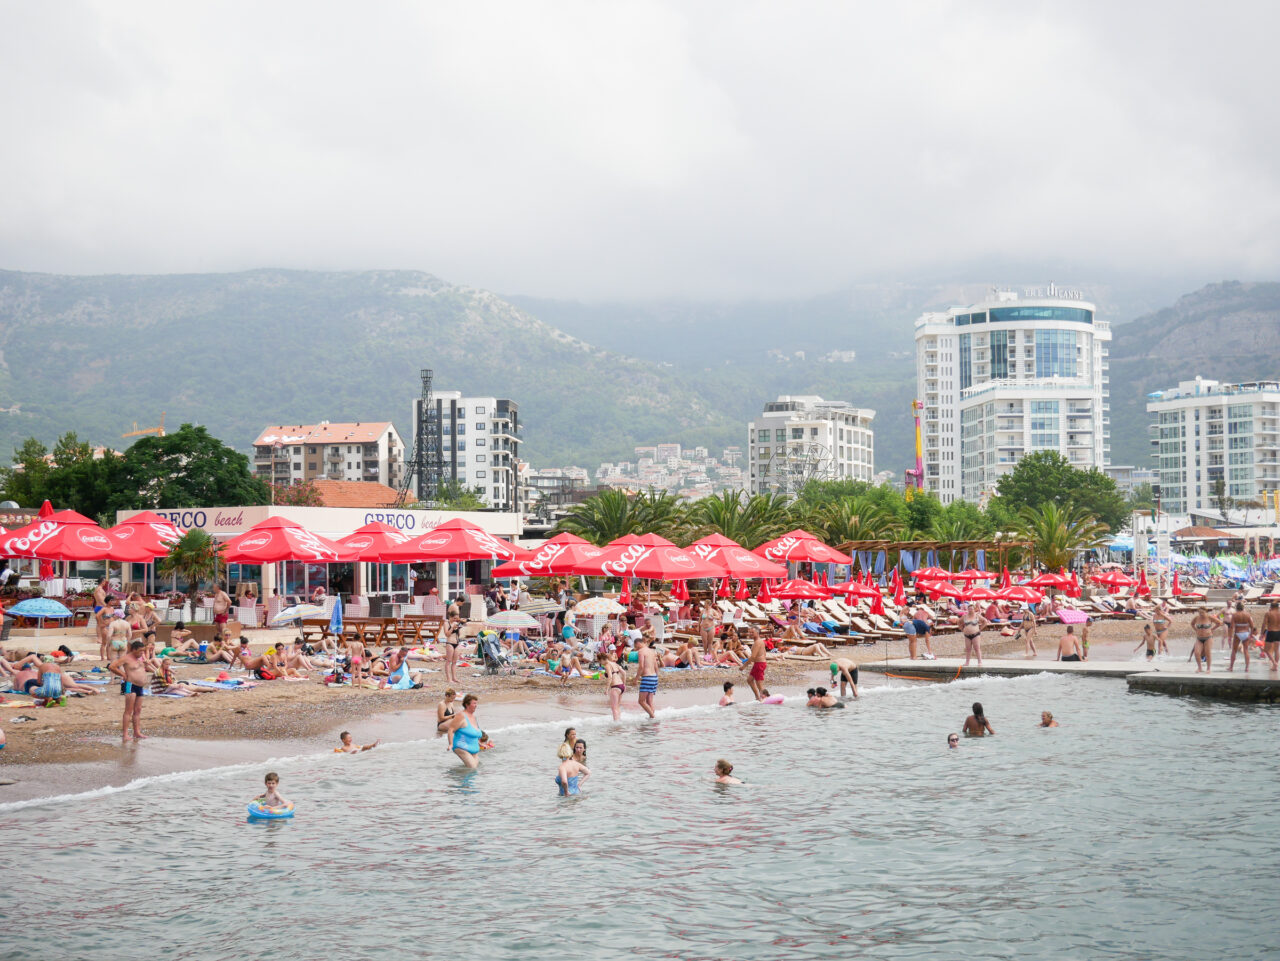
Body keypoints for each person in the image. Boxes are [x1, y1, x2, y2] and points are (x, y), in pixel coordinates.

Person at [109, 640, 151, 742]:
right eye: (140, 651)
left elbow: (141, 669)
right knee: (129, 710)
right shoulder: (126, 658)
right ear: (134, 649)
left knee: (138, 710)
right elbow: (112, 666)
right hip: (130, 685)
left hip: (140, 687)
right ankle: (125, 734)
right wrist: (123, 675)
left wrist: (145, 664)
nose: (142, 653)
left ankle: (137, 732)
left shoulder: (140, 658)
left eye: (143, 651)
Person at [444, 694, 484, 768]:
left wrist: (480, 743)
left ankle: (456, 775)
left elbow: (473, 733)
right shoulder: (461, 716)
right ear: (467, 704)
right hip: (461, 746)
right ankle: (453, 777)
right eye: (474, 703)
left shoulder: (474, 717)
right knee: (472, 768)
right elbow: (451, 729)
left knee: (474, 771)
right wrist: (450, 744)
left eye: (476, 703)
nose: (476, 705)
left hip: (474, 748)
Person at [1189, 607, 1220, 673]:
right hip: (1199, 638)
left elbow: (1219, 623)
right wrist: (1196, 630)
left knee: (1207, 653)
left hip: (1208, 637)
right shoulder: (1197, 618)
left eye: (1202, 612)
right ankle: (1200, 668)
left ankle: (1208, 668)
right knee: (1197, 652)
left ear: (1206, 612)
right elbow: (1192, 624)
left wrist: (1212, 629)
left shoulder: (1209, 617)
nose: (1201, 614)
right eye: (1200, 613)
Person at [635, 637, 660, 718]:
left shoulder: (641, 652)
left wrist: (636, 679)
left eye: (636, 646)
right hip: (654, 677)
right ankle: (652, 722)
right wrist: (657, 677)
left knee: (641, 701)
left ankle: (653, 717)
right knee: (649, 702)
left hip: (647, 677)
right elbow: (656, 666)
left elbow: (641, 666)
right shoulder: (652, 651)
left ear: (638, 643)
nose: (636, 648)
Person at [1227, 602, 1255, 672]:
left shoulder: (1235, 615)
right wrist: (1251, 635)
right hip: (1246, 633)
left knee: (1234, 651)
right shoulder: (1247, 615)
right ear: (1243, 607)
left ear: (1236, 607)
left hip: (1238, 633)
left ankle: (1231, 667)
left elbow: (1231, 627)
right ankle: (1247, 668)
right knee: (1246, 651)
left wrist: (1230, 637)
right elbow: (1252, 626)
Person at [743, 627, 767, 701]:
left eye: (752, 632)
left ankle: (765, 699)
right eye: (750, 632)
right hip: (758, 664)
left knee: (759, 684)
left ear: (757, 632)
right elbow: (764, 653)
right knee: (749, 680)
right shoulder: (758, 641)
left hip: (759, 664)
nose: (750, 634)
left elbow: (753, 657)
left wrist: (744, 666)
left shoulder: (758, 642)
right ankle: (757, 697)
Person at [440, 616, 463, 686]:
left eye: (456, 618)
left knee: (454, 662)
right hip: (449, 643)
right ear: (450, 617)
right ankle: (448, 678)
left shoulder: (457, 623)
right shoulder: (446, 623)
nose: (455, 620)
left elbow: (459, 635)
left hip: (457, 642)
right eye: (454, 618)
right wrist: (452, 627)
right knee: (448, 661)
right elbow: (447, 634)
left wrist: (458, 628)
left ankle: (454, 677)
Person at [603, 650, 626, 720]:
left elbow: (610, 677)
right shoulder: (615, 664)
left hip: (615, 687)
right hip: (621, 686)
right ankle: (619, 721)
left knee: (613, 708)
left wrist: (606, 689)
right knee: (617, 706)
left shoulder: (607, 665)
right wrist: (624, 684)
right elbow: (624, 673)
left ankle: (616, 726)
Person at [1260, 601, 1280, 671]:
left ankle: (1274, 663)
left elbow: (1264, 624)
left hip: (1271, 632)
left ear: (1271, 607)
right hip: (1278, 632)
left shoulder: (1268, 613)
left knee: (1266, 650)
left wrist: (1262, 633)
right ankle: (1275, 667)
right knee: (1277, 650)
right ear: (1278, 607)